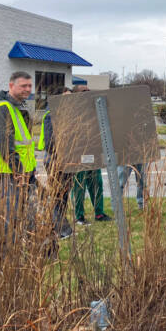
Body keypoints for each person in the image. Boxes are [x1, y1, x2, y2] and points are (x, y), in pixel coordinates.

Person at [0, 71, 38, 241]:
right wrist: (19, 170)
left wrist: (30, 171)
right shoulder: (3, 108)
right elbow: (5, 145)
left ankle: (20, 250)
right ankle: (4, 254)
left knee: (24, 214)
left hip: (22, 172)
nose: (27, 89)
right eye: (23, 85)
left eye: (30, 86)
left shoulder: (19, 107)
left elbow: (24, 144)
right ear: (11, 86)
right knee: (7, 217)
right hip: (6, 173)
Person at [71, 85, 111, 224]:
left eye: (88, 91)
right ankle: (79, 216)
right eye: (84, 91)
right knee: (79, 186)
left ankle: (99, 213)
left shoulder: (94, 111)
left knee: (96, 183)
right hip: (78, 155)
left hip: (92, 154)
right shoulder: (72, 113)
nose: (87, 93)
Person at [39, 87, 74, 239]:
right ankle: (58, 228)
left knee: (64, 194)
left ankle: (60, 227)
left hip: (66, 159)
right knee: (58, 195)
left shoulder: (65, 114)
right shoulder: (51, 113)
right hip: (56, 159)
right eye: (66, 97)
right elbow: (50, 142)